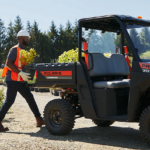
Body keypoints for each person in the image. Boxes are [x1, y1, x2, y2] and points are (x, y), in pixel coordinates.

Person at [0, 30, 44, 132]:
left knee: (30, 97)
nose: (28, 40)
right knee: (9, 101)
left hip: (20, 79)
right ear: (20, 38)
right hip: (12, 79)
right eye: (26, 38)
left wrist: (26, 71)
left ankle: (39, 119)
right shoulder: (15, 49)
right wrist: (20, 72)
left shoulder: (24, 51)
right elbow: (8, 63)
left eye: (28, 38)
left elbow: (21, 64)